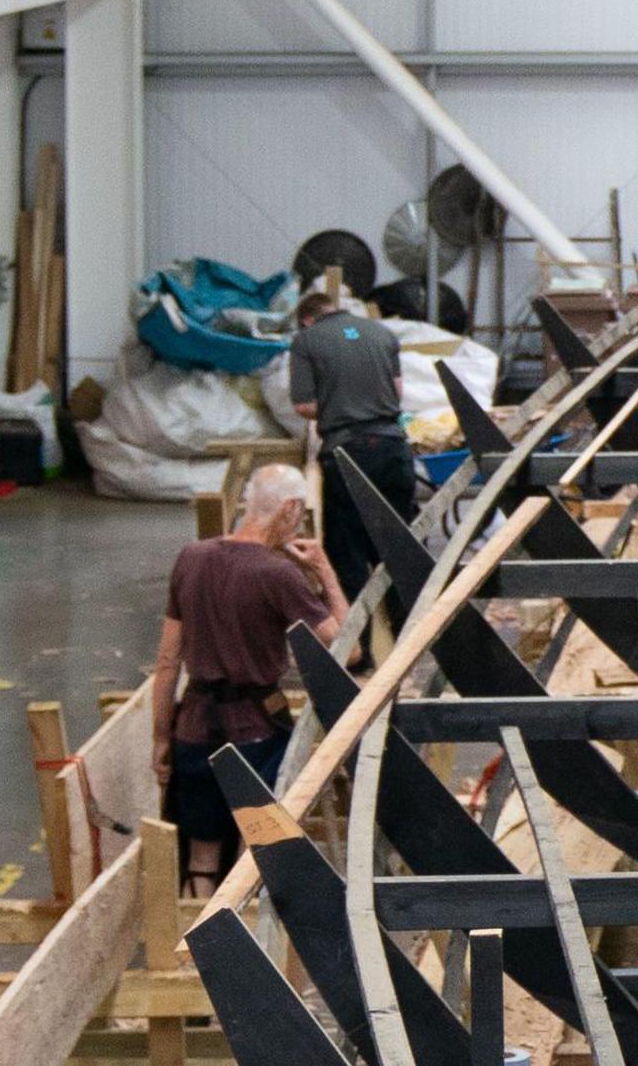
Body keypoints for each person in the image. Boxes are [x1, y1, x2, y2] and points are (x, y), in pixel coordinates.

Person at [149, 465, 350, 891]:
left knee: (202, 856)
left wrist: (161, 738)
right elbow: (346, 648)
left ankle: (199, 946)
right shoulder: (278, 574)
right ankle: (247, 947)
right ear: (290, 509)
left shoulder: (191, 557)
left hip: (193, 734)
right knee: (256, 848)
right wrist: (325, 571)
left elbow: (167, 663)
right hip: (256, 737)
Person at [288, 292, 415, 598]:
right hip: (393, 448)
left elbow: (304, 405)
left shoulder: (306, 341)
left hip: (348, 452)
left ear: (307, 319)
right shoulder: (382, 332)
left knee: (348, 548)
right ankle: (406, 634)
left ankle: (360, 638)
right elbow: (397, 391)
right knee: (398, 543)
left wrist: (338, 404)